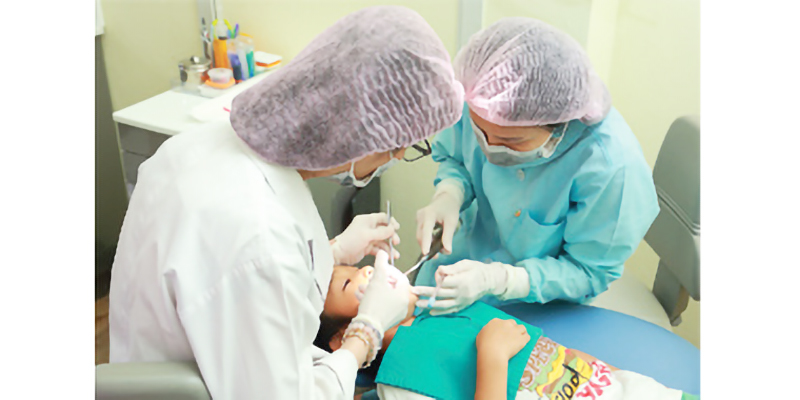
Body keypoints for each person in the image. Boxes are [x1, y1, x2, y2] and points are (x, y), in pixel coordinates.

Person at [107, 6, 463, 399]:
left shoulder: (195, 147)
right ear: (356, 135)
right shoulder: (260, 240)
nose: (397, 157)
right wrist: (366, 333)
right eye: (397, 146)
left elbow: (228, 278)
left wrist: (334, 251)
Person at [412, 17, 660, 315]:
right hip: (464, 257)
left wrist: (501, 280)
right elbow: (456, 156)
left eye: (511, 141)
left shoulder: (611, 167)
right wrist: (450, 193)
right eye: (479, 131)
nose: (489, 147)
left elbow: (588, 271)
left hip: (543, 302)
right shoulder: (482, 96)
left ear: (560, 124)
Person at [316, 257, 698, 400]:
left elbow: (556, 354)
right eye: (348, 283)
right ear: (340, 338)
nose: (370, 272)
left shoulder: (451, 309)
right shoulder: (399, 381)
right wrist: (493, 357)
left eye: (362, 267)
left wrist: (612, 375)